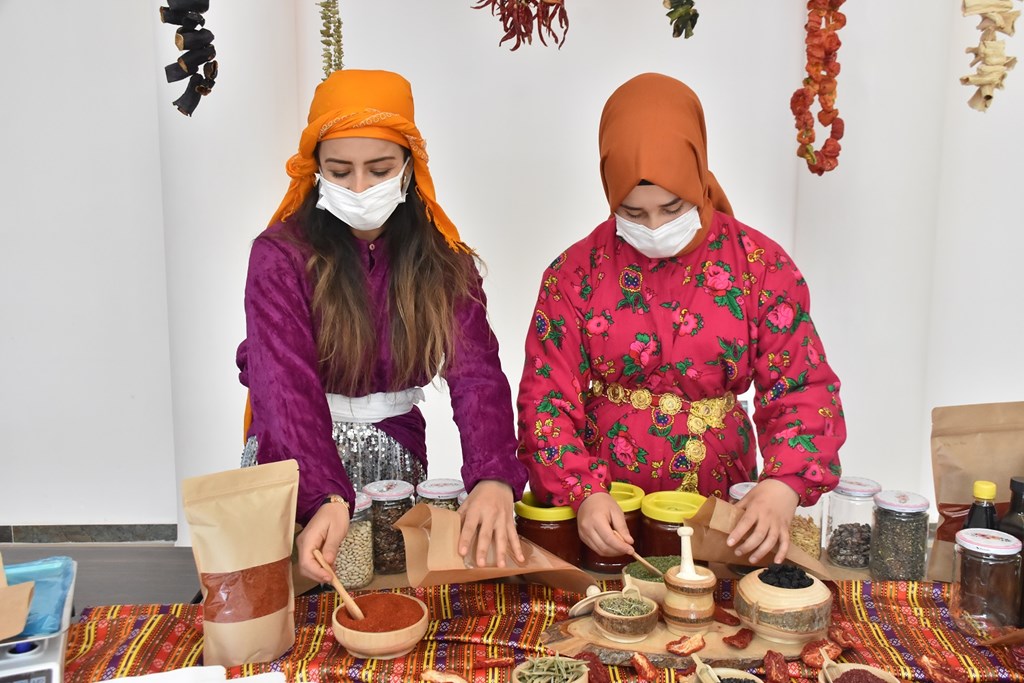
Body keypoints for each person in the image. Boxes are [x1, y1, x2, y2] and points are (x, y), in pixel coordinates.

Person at [515, 73, 846, 565]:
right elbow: (546, 396)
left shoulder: (760, 265)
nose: (655, 228)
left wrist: (783, 486)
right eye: (633, 213)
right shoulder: (576, 273)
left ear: (698, 178)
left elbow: (802, 385)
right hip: (609, 509)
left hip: (721, 500)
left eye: (673, 207)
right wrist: (580, 493)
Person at [237, 69, 528, 583]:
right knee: (299, 600)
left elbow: (478, 376)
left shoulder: (444, 260)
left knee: (391, 591)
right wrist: (324, 497)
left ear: (409, 169)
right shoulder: (281, 255)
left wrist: (493, 477)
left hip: (394, 464)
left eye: (379, 169)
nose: (360, 187)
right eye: (339, 170)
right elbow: (283, 387)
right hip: (292, 461)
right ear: (316, 170)